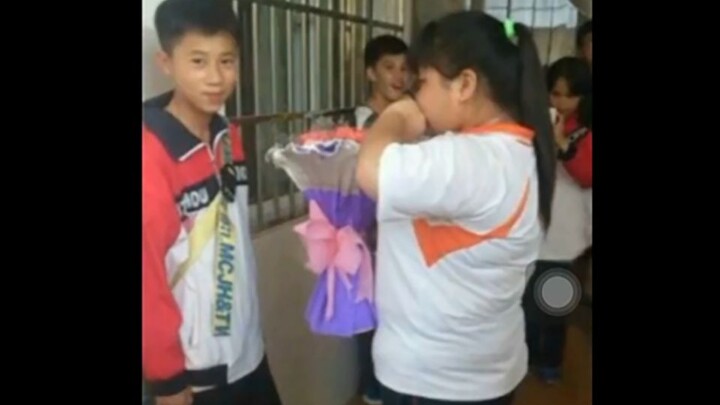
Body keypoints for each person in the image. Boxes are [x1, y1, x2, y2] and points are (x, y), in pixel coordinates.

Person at [356, 11, 556, 405]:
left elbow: (371, 170)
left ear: (465, 84)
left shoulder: (474, 158)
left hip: (433, 382)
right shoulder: (509, 151)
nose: (416, 94)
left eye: (422, 82)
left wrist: (398, 113)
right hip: (479, 370)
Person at [142, 1, 282, 404]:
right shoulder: (152, 155)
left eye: (227, 61)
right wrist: (167, 380)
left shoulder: (227, 136)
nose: (216, 78)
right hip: (195, 374)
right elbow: (147, 277)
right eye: (198, 61)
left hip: (247, 351)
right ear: (166, 63)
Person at [524, 56, 592, 384]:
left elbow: (586, 175)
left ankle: (550, 362)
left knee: (555, 302)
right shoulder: (535, 126)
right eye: (554, 93)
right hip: (533, 231)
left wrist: (562, 145)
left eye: (569, 95)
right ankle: (527, 356)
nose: (560, 102)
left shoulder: (586, 133)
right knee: (526, 301)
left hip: (566, 237)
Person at [352, 34, 409, 405]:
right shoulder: (361, 124)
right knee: (371, 320)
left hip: (404, 237)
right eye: (389, 67)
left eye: (404, 68)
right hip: (367, 239)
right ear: (371, 73)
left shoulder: (412, 119)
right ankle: (374, 392)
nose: (399, 76)